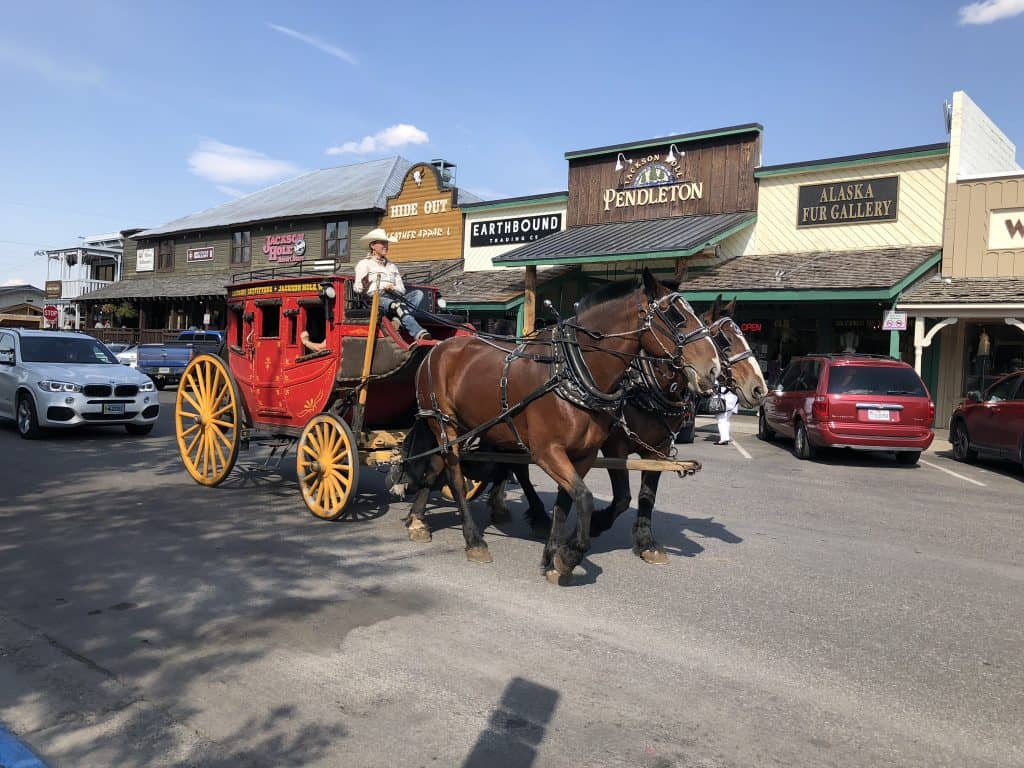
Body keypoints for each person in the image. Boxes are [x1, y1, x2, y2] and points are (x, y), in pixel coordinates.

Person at [353, 228, 431, 341]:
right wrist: (365, 284)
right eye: (382, 243)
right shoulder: (364, 264)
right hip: (376, 299)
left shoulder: (392, 266)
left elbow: (402, 290)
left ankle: (398, 321)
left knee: (418, 294)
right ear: (373, 246)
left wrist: (393, 288)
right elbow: (357, 288)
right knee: (398, 305)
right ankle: (418, 332)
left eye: (387, 243)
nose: (386, 246)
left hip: (394, 297)